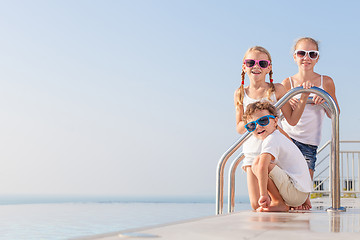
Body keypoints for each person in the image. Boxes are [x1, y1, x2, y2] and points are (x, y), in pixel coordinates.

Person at [234, 46, 309, 210]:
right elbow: (239, 127)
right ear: (244, 66)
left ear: (269, 67)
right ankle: (285, 205)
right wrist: (254, 122)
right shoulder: (240, 93)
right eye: (251, 62)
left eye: (262, 63)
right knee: (256, 205)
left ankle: (285, 203)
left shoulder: (277, 89)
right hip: (252, 150)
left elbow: (292, 120)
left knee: (276, 199)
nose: (256, 66)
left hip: (275, 152)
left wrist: (303, 97)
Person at [281, 37, 340, 195]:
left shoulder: (325, 82)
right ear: (295, 57)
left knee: (303, 191)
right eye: (301, 53)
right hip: (287, 139)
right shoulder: (287, 84)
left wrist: (325, 102)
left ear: (317, 58)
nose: (306, 58)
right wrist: (291, 101)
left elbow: (335, 113)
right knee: (285, 186)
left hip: (309, 143)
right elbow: (279, 114)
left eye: (312, 54)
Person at [243, 101, 313, 212]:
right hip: (301, 194)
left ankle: (278, 202)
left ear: (275, 121)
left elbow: (262, 167)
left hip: (296, 194)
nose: (258, 126)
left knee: (257, 163)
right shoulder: (279, 137)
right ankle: (282, 201)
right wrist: (304, 197)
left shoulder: (271, 139)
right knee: (262, 162)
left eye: (263, 120)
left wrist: (263, 195)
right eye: (252, 125)